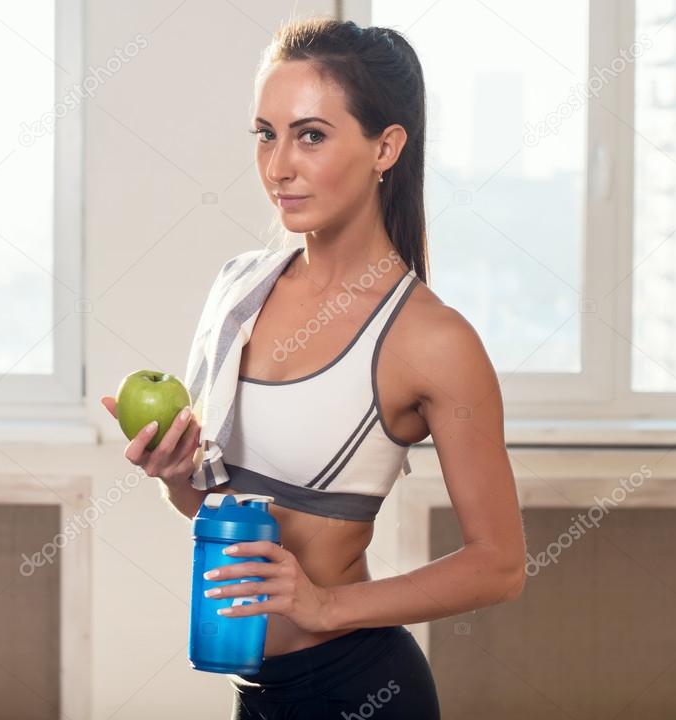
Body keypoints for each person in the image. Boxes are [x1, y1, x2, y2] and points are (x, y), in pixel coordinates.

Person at [103, 16, 526, 720]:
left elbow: (500, 564)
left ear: (386, 146)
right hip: (254, 688)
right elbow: (215, 514)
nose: (278, 167)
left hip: (357, 688)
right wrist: (177, 478)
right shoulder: (240, 290)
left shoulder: (432, 340)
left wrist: (328, 604)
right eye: (266, 134)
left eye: (311, 135)